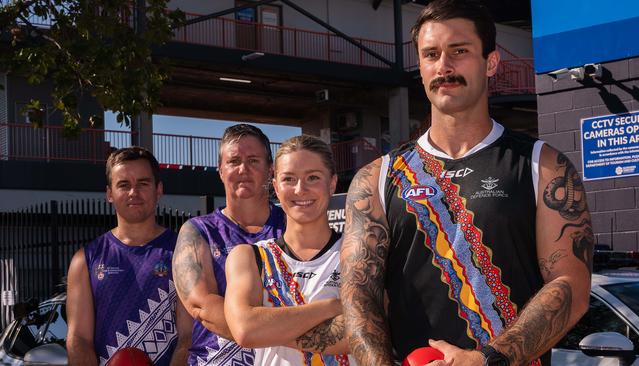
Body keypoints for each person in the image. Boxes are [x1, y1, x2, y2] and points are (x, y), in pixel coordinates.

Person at [340, 1, 593, 365]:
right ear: (421, 67)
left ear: (491, 62)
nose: (444, 66)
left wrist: (487, 359)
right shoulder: (377, 176)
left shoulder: (543, 164)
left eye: (459, 51)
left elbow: (570, 285)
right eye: (431, 54)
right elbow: (359, 297)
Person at [224, 135, 357, 366]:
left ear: (332, 183)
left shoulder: (358, 254)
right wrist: (332, 307)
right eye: (289, 179)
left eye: (313, 177)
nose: (300, 189)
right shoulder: (248, 256)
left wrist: (270, 327)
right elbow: (246, 330)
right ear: (275, 185)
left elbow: (359, 333)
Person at [66, 147, 192, 366]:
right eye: (123, 185)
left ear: (158, 189)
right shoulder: (85, 260)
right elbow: (79, 340)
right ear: (109, 194)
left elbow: (188, 337)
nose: (134, 192)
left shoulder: (183, 253)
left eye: (143, 183)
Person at [172, 124, 285, 366]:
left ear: (270, 170)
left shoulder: (292, 226)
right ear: (221, 170)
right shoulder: (197, 231)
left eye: (254, 161)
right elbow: (203, 307)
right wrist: (297, 335)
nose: (243, 169)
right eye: (234, 161)